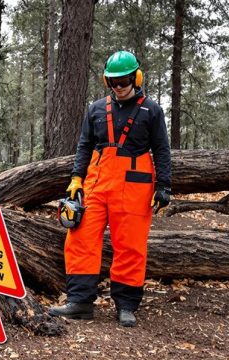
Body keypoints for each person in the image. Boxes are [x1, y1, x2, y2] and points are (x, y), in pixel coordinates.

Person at [49, 51, 172, 328]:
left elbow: (162, 149)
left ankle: (126, 305)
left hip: (135, 185)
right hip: (96, 182)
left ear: (136, 78)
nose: (118, 87)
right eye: (113, 82)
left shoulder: (151, 110)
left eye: (124, 81)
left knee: (130, 245)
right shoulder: (95, 109)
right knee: (80, 238)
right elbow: (84, 146)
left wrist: (164, 186)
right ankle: (79, 302)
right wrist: (76, 179)